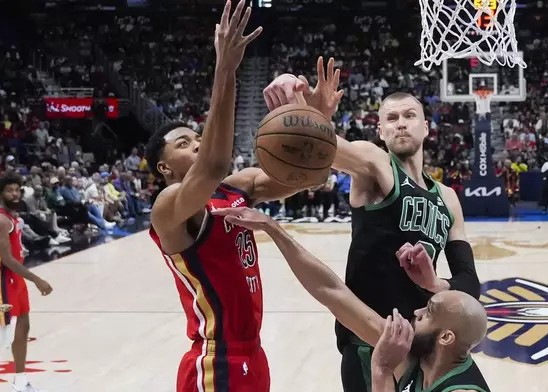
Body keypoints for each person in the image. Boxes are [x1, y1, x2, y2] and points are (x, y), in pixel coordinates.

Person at [145, 3, 333, 392]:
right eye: (183, 143)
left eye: (198, 137)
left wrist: (318, 123)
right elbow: (212, 165)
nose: (196, 143)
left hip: (253, 353)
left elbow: (308, 178)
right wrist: (226, 69)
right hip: (216, 358)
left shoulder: (237, 187)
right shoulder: (169, 208)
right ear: (164, 168)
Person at [264, 57, 481, 392]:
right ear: (380, 131)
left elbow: (470, 286)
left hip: (423, 348)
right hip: (371, 342)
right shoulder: (374, 165)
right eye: (391, 119)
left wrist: (435, 283)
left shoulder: (448, 198)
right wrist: (300, 104)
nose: (401, 124)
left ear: (426, 127)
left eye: (410, 116)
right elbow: (320, 145)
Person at [212, 207, 490, 392]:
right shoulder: (424, 354)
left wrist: (381, 370)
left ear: (446, 338)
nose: (416, 311)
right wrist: (274, 229)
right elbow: (331, 291)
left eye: (428, 312)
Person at [0, 173, 53, 392]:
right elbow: (7, 259)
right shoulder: (2, 220)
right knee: (4, 336)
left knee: (23, 328)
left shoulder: (12, 217)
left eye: (17, 190)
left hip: (15, 279)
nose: (14, 194)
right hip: (4, 281)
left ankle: (20, 382)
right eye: (9, 190)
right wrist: (37, 279)